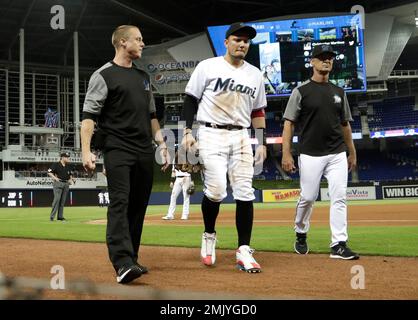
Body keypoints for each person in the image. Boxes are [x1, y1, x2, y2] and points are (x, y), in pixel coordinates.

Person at [80, 25, 170, 284]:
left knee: (138, 206)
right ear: (122, 42)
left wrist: (162, 144)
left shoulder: (143, 77)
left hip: (144, 149)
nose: (142, 44)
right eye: (138, 39)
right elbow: (88, 118)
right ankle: (121, 263)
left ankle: (131, 258)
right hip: (117, 148)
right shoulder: (103, 75)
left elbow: (151, 116)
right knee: (120, 203)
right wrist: (86, 151)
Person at [181, 22, 267, 273]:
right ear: (227, 42)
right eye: (238, 39)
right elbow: (190, 100)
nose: (242, 44)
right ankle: (209, 235)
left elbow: (258, 110)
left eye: (247, 41)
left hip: (241, 135)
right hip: (210, 132)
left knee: (245, 192)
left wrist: (260, 141)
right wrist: (187, 132)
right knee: (216, 190)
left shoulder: (255, 74)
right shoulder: (208, 67)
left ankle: (243, 249)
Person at [281, 44, 359, 260]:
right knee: (307, 197)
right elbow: (289, 124)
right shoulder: (300, 92)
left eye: (330, 58)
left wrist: (351, 152)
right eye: (322, 57)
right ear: (312, 62)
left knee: (339, 197)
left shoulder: (339, 92)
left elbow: (345, 125)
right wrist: (286, 154)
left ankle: (339, 244)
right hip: (310, 153)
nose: (327, 61)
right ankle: (300, 232)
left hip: (337, 153)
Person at [47, 151, 74, 221]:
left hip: (66, 184)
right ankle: (52, 217)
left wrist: (71, 180)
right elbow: (49, 172)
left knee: (62, 201)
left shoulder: (68, 166)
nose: (68, 158)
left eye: (68, 157)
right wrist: (55, 178)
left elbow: (70, 175)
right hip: (58, 183)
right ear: (62, 157)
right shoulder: (56, 164)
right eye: (66, 157)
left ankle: (60, 217)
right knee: (56, 200)